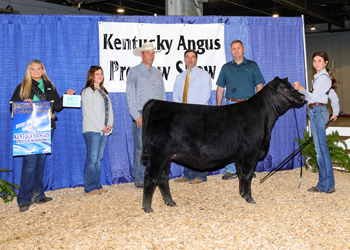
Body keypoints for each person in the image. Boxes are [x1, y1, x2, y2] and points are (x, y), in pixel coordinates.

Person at [10, 60, 75, 212]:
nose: (36, 71)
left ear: (43, 70)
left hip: (47, 127)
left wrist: (66, 96)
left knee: (40, 162)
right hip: (29, 129)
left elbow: (57, 107)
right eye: (33, 69)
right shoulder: (22, 87)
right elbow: (12, 107)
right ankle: (24, 199)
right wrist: (24, 104)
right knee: (30, 163)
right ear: (29, 71)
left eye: (39, 69)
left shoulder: (49, 86)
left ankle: (38, 195)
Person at [216, 40, 265, 180]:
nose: (236, 51)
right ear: (230, 51)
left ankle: (247, 169)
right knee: (230, 139)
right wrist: (219, 109)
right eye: (233, 49)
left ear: (243, 50)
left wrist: (258, 106)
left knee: (250, 139)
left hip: (249, 107)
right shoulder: (225, 68)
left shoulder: (252, 66)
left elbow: (260, 86)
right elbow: (220, 88)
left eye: (238, 48)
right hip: (230, 105)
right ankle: (231, 170)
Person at [293, 51, 339, 194]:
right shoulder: (321, 78)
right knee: (320, 149)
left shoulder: (323, 78)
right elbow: (333, 96)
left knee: (321, 150)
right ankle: (326, 184)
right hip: (316, 112)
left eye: (319, 61)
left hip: (318, 111)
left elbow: (313, 97)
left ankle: (325, 185)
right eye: (314, 61)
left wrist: (301, 89)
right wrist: (335, 112)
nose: (316, 63)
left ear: (326, 62)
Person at [126, 42, 166, 189]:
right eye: (148, 53)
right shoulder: (133, 72)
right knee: (140, 147)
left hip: (156, 115)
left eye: (153, 53)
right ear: (141, 55)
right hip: (142, 114)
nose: (151, 56)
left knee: (156, 147)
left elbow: (162, 94)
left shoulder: (157, 72)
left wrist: (163, 113)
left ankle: (153, 176)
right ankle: (139, 178)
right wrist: (136, 115)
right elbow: (130, 95)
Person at [172, 50, 212, 184]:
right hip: (183, 118)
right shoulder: (180, 77)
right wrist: (180, 113)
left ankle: (201, 175)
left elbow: (205, 95)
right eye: (187, 57)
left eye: (193, 57)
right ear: (184, 59)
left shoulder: (203, 74)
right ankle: (188, 174)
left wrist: (193, 113)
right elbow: (176, 96)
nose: (190, 59)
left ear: (196, 59)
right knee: (185, 147)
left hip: (198, 116)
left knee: (200, 146)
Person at [81, 66, 114, 195]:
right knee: (92, 158)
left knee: (98, 157)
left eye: (101, 74)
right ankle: (90, 187)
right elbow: (88, 112)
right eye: (97, 74)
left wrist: (109, 125)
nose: (99, 76)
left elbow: (109, 110)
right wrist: (101, 126)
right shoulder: (88, 91)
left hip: (103, 130)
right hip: (92, 129)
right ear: (91, 76)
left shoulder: (104, 92)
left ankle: (97, 185)